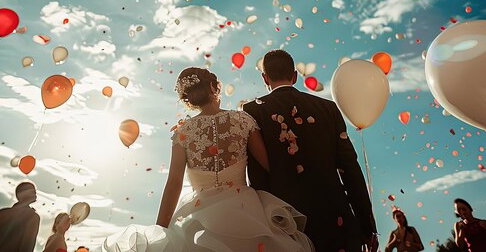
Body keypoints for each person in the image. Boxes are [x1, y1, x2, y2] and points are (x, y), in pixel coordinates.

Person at [103, 67, 314, 252]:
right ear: (215, 87)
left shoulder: (183, 132)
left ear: (189, 98)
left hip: (198, 217)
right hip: (246, 212)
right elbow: (269, 164)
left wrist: (161, 231)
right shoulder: (243, 120)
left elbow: (174, 183)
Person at [243, 49, 378, 252]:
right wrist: (367, 227)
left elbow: (257, 176)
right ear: (295, 75)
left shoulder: (252, 111)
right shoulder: (328, 108)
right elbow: (350, 168)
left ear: (265, 78)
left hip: (286, 224)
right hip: (336, 221)